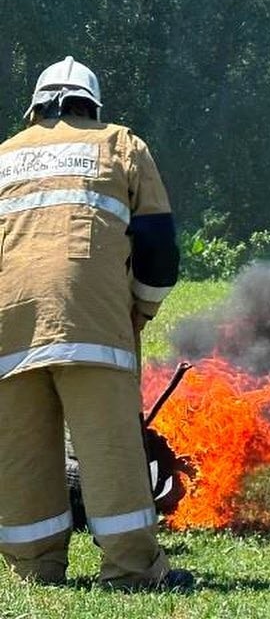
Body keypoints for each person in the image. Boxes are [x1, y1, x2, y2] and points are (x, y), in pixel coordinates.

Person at [0, 57, 192, 590]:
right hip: (89, 322)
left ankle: (34, 571)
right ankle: (130, 572)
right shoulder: (120, 144)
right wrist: (142, 308)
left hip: (7, 328)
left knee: (20, 452)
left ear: (36, 106)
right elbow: (156, 245)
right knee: (109, 450)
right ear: (92, 105)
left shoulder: (4, 154)